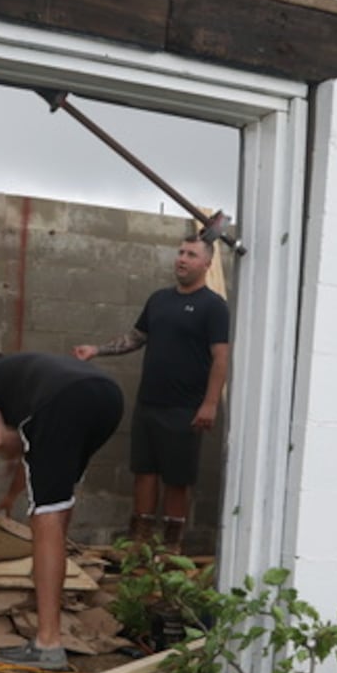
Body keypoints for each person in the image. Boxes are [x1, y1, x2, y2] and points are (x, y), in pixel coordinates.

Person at [0, 351, 124, 670]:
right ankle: (49, 576)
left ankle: (48, 643)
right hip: (108, 396)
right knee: (58, 503)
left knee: (46, 517)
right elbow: (35, 449)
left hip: (63, 403)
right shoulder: (30, 368)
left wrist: (18, 444)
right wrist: (11, 496)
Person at [73, 235, 230, 553]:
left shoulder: (213, 307)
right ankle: (140, 540)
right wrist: (97, 350)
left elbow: (221, 358)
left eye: (191, 255)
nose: (182, 259)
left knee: (177, 479)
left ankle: (171, 547)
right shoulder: (159, 299)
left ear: (207, 264)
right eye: (180, 253)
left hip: (185, 408)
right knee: (143, 472)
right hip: (149, 404)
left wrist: (210, 403)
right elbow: (135, 338)